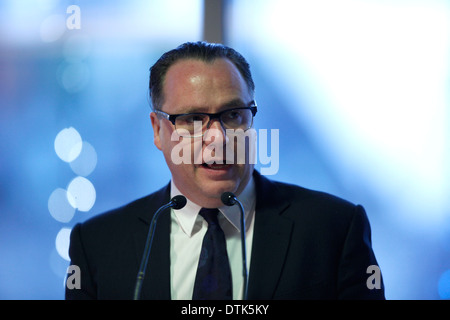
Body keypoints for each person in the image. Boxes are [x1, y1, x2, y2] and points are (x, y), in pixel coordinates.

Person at [65, 41, 385, 300]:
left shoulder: (334, 229)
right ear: (158, 131)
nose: (217, 138)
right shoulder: (97, 245)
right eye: (192, 119)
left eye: (233, 115)